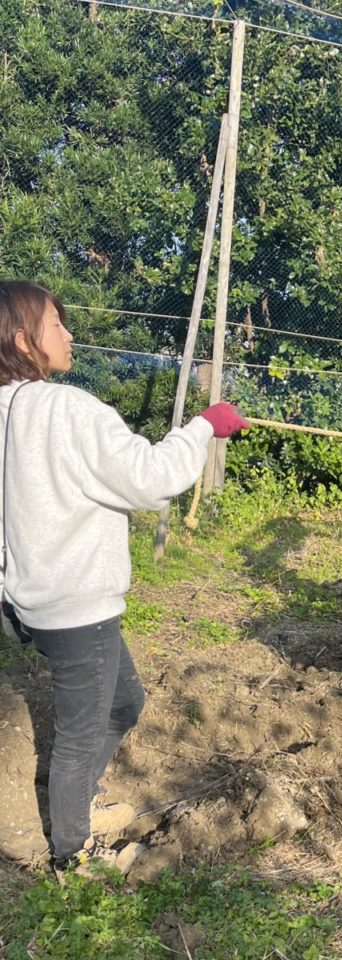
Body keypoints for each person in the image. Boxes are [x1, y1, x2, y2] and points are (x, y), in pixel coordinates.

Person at [0, 280, 249, 876]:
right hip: (76, 606)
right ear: (21, 340)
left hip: (30, 600)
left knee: (124, 703)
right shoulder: (65, 408)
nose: (69, 334)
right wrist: (203, 426)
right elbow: (150, 477)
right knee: (81, 734)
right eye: (56, 324)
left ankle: (74, 812)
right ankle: (71, 853)